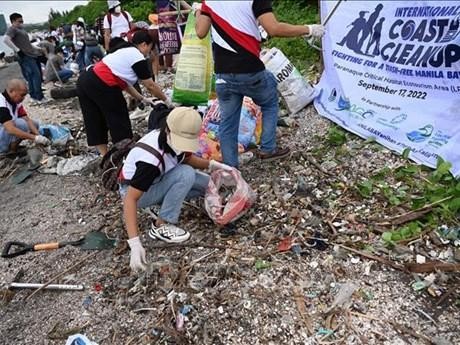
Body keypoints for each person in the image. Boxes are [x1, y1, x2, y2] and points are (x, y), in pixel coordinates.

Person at [194, 1, 324, 167]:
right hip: (249, 69)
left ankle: (229, 169)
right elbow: (273, 29)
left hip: (223, 74)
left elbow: (200, 32)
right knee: (270, 101)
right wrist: (309, 29)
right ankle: (268, 149)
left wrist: (198, 11)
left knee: (228, 122)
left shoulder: (209, 2)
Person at [121, 107, 232, 272]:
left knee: (209, 184)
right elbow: (130, 199)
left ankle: (165, 203)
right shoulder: (150, 162)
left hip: (159, 179)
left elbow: (186, 158)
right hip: (139, 192)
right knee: (186, 175)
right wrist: (135, 243)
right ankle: (161, 225)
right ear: (168, 130)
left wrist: (214, 166)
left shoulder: (172, 137)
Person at [76, 31, 169, 156]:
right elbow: (150, 85)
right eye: (150, 48)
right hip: (102, 81)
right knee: (119, 118)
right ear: (143, 44)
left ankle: (104, 157)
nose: (149, 52)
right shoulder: (137, 55)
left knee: (94, 119)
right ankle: (124, 154)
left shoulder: (123, 52)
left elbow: (124, 83)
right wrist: (167, 101)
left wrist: (142, 99)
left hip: (84, 79)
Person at [4, 13, 47, 104]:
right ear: (13, 21)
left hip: (31, 54)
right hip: (25, 56)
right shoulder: (12, 29)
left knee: (32, 76)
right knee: (36, 75)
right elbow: (6, 39)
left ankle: (34, 96)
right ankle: (38, 97)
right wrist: (17, 50)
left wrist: (38, 48)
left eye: (22, 21)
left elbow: (27, 43)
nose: (21, 23)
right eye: (19, 21)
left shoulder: (21, 29)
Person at [0, 79, 50, 154]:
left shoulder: (15, 102)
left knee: (34, 124)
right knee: (21, 124)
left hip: (3, 132)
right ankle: (7, 151)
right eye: (22, 95)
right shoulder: (2, 105)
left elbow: (27, 119)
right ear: (11, 91)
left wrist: (38, 135)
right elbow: (10, 129)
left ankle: (13, 148)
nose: (23, 98)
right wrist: (35, 138)